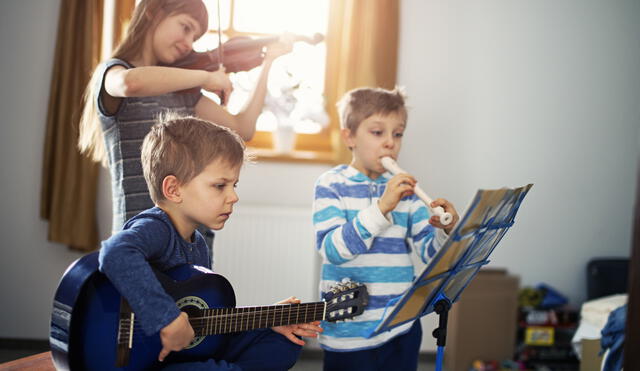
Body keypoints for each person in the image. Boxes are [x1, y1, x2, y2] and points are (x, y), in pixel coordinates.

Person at [99, 115, 322, 370]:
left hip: (183, 353)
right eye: (220, 186)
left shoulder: (198, 243)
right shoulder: (157, 227)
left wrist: (267, 318)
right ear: (173, 189)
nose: (234, 196)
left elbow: (203, 320)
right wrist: (167, 318)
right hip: (141, 359)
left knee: (283, 342)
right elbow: (115, 252)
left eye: (234, 185)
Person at [78, 0, 293, 237]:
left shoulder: (183, 92)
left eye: (195, 36)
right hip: (140, 239)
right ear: (152, 12)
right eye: (185, 27)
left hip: (192, 239)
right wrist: (205, 78)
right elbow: (130, 83)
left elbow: (242, 128)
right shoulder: (114, 72)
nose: (189, 43)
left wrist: (268, 62)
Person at [311, 87, 460, 371]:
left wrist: (445, 231)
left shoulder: (407, 190)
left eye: (398, 133)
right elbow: (333, 251)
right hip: (350, 334)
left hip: (401, 326)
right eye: (378, 133)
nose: (390, 143)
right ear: (349, 137)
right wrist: (381, 208)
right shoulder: (331, 184)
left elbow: (430, 253)